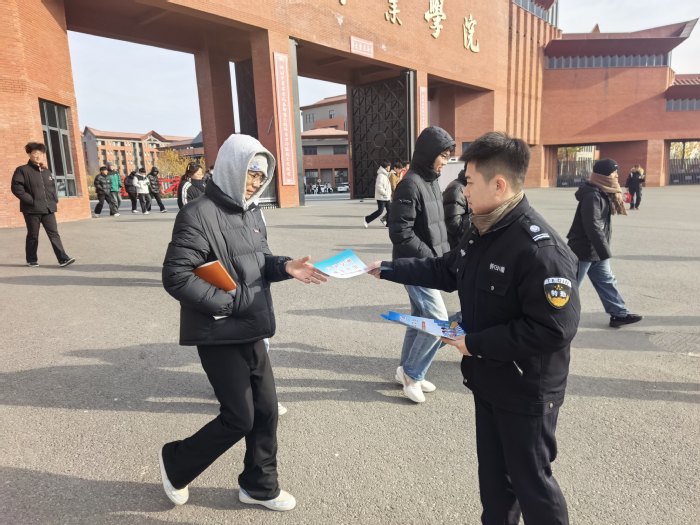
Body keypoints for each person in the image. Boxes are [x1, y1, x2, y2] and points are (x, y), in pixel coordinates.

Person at [370, 131, 580, 525]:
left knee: (532, 483)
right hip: (488, 381)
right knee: (495, 484)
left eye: (468, 181)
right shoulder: (483, 229)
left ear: (498, 185)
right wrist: (388, 269)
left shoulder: (541, 250)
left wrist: (476, 343)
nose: (463, 190)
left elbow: (553, 330)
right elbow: (447, 269)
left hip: (525, 390)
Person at [160, 133, 327, 511]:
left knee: (266, 411)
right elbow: (176, 275)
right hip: (218, 331)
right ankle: (176, 461)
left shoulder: (251, 212)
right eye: (251, 172)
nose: (255, 182)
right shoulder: (196, 214)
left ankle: (259, 486)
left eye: (262, 175)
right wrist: (231, 302)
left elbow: (259, 260)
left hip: (252, 327)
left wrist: (285, 266)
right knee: (240, 417)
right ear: (232, 167)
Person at [386, 126, 454, 403]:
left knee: (421, 319)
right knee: (438, 321)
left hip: (430, 265)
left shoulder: (432, 181)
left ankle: (406, 370)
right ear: (429, 153)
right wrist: (431, 258)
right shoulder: (410, 184)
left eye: (448, 156)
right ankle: (412, 374)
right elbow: (400, 232)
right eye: (443, 156)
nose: (446, 162)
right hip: (415, 266)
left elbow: (437, 226)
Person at [567, 158, 643, 328]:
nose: (616, 175)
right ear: (604, 175)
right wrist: (605, 251)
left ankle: (619, 314)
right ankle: (553, 317)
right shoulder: (592, 195)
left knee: (607, 281)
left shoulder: (601, 192)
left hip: (596, 249)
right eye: (614, 172)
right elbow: (592, 225)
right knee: (570, 285)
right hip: (584, 249)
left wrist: (602, 250)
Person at [11, 142, 75, 267]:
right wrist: (31, 200)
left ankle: (63, 259)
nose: (38, 156)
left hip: (48, 208)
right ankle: (31, 259)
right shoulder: (22, 170)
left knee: (54, 234)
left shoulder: (46, 171)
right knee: (33, 235)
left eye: (41, 153)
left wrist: (54, 199)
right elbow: (16, 188)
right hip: (31, 209)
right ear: (29, 154)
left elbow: (52, 188)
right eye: (35, 153)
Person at [442, 167, 470, 249]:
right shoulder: (457, 189)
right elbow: (454, 224)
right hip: (457, 246)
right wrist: (477, 218)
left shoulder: (465, 186)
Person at [363, 161, 392, 228]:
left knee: (390, 210)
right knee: (380, 211)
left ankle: (388, 224)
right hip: (381, 197)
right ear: (386, 167)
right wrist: (385, 193)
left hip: (386, 197)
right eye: (389, 167)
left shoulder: (385, 175)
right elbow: (379, 186)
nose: (389, 168)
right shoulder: (380, 176)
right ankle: (367, 219)